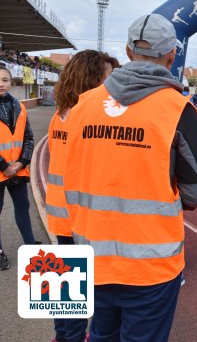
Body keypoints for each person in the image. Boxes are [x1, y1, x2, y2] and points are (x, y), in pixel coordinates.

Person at [63, 14, 197, 342]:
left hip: (92, 254)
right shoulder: (177, 108)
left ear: (128, 52)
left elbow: (70, 173)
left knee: (101, 335)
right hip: (151, 265)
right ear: (172, 55)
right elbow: (196, 193)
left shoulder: (83, 106)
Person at [46, 49, 119, 342]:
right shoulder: (88, 120)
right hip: (82, 217)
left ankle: (63, 336)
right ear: (91, 80)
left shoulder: (58, 116)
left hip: (61, 213)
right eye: (108, 79)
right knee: (84, 292)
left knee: (65, 288)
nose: (113, 86)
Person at [0, 65, 37, 272]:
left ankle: (30, 246)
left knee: (23, 208)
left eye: (5, 80)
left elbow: (28, 138)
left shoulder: (19, 107)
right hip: (3, 170)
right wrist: (5, 167)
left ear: (11, 82)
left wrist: (20, 163)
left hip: (17, 170)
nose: (1, 84)